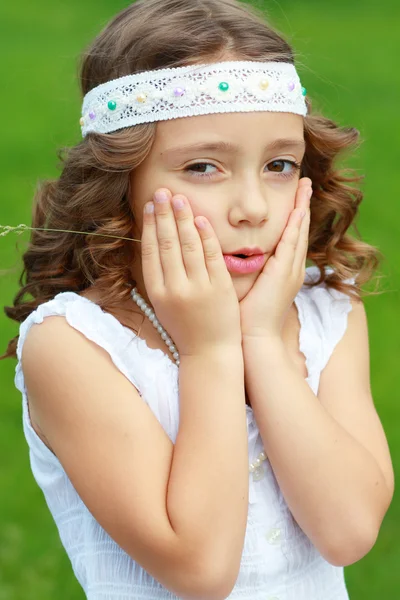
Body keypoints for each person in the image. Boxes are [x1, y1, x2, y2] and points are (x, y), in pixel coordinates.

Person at [1, 0, 394, 598]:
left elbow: (347, 531)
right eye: (204, 166)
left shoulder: (322, 311)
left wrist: (261, 339)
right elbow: (201, 569)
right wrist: (211, 353)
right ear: (119, 179)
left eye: (280, 165)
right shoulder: (76, 346)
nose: (253, 207)